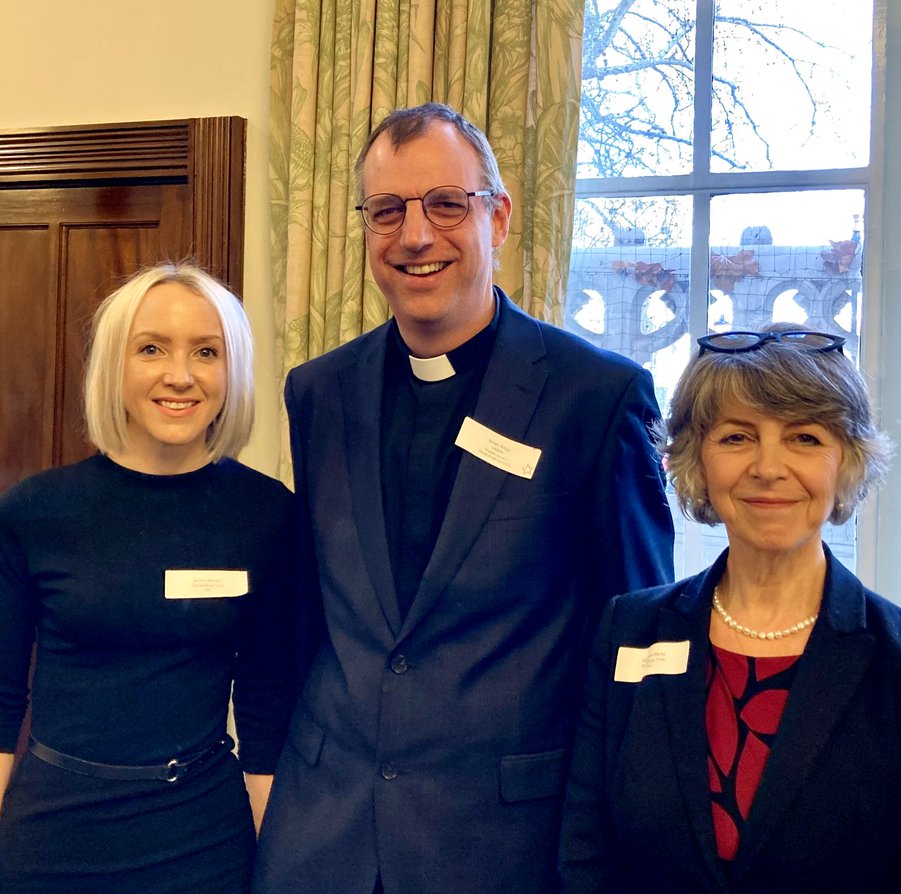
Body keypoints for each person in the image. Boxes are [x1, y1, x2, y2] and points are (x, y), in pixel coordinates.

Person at [252, 103, 675, 894]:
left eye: (447, 204)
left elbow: (630, 649)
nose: (416, 236)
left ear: (500, 217)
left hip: (504, 847)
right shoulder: (318, 392)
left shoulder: (596, 399)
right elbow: (313, 615)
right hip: (323, 842)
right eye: (387, 211)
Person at [560, 325, 901, 893]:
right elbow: (587, 859)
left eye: (805, 438)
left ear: (847, 460)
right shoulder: (628, 633)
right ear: (696, 459)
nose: (768, 467)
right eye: (737, 438)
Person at [0, 263, 295, 894]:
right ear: (115, 364)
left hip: (204, 841)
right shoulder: (34, 512)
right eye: (152, 348)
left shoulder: (267, 514)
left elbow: (267, 706)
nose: (180, 375)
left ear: (232, 369)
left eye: (206, 352)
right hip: (55, 835)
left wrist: (275, 872)